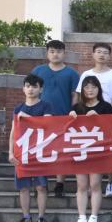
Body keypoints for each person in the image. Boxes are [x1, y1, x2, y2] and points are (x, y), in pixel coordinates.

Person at [32, 39, 79, 200]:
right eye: (52, 51)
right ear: (47, 53)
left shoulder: (72, 73)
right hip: (41, 118)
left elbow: (75, 95)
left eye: (58, 51)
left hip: (63, 118)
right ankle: (40, 183)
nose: (55, 54)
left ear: (64, 53)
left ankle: (60, 184)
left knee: (61, 153)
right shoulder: (38, 71)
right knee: (41, 151)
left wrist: (72, 111)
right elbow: (31, 92)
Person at [68, 76, 112, 222]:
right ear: (82, 90)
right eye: (87, 87)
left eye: (93, 87)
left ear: (98, 89)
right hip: (80, 151)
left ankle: (94, 217)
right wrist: (70, 118)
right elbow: (68, 130)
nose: (90, 90)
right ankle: (81, 217)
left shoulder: (106, 107)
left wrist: (99, 118)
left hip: (97, 151)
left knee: (95, 184)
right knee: (81, 185)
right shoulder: (77, 107)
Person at [8, 75, 53, 222]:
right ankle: (26, 218)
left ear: (41, 89)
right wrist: (10, 152)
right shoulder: (18, 108)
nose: (31, 89)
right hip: (22, 153)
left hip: (40, 152)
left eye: (34, 86)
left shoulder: (46, 106)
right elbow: (13, 132)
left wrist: (27, 117)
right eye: (28, 86)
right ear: (23, 88)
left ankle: (41, 218)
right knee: (23, 187)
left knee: (41, 187)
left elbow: (47, 125)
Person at [77, 42, 112, 108]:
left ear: (109, 56)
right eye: (98, 52)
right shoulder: (86, 74)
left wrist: (107, 111)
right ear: (93, 54)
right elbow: (81, 95)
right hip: (87, 112)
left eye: (105, 53)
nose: (102, 55)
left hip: (107, 112)